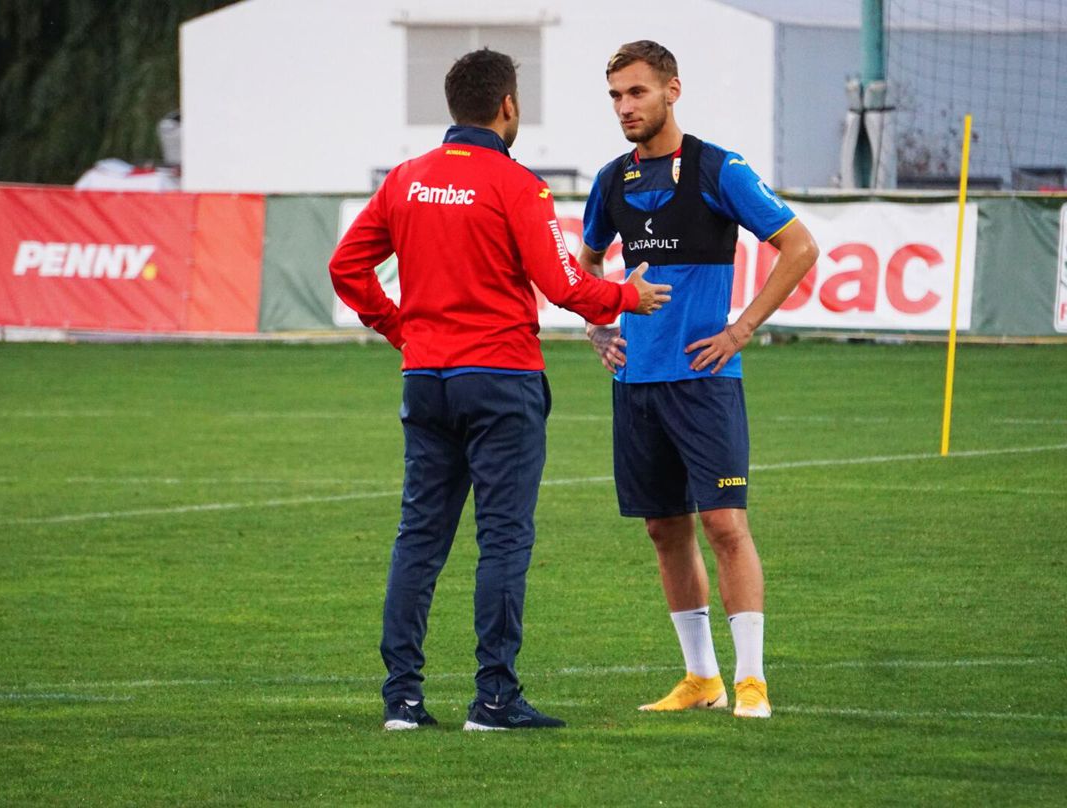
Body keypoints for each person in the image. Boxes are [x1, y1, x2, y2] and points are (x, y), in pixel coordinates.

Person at [329, 48, 670, 732]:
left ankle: (402, 700)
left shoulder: (406, 181)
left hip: (427, 379)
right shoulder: (518, 186)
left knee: (419, 539)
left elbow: (347, 268)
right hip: (501, 380)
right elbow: (564, 283)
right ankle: (493, 699)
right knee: (504, 540)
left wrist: (403, 331)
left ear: (454, 108)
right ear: (507, 106)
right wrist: (626, 295)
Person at [577, 41, 820, 719]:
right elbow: (589, 261)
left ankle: (751, 681)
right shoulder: (611, 180)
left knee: (724, 524)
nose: (625, 107)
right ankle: (700, 677)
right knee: (664, 530)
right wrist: (599, 326)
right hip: (637, 384)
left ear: (672, 91)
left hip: (705, 378)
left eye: (637, 93)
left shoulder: (718, 168)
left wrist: (742, 329)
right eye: (616, 96)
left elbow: (799, 247)